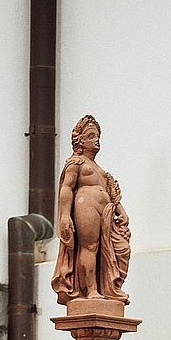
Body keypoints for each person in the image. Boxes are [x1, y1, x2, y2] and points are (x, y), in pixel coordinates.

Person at [51, 114, 131, 305]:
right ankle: (91, 290)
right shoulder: (75, 162)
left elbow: (112, 192)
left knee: (122, 249)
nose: (97, 140)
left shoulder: (100, 169)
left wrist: (122, 210)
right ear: (80, 140)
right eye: (91, 136)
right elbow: (66, 188)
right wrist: (64, 216)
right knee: (90, 247)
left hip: (106, 212)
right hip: (85, 205)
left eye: (97, 136)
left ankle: (110, 288)